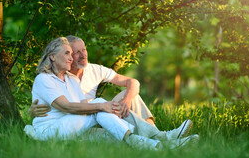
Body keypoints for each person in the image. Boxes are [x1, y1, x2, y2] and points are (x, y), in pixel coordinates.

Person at [24, 37, 199, 149]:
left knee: (113, 137)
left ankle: (162, 145)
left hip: (76, 125)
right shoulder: (44, 78)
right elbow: (67, 106)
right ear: (52, 57)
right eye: (68, 53)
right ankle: (159, 137)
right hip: (52, 129)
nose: (73, 57)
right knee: (99, 104)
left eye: (77, 52)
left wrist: (113, 106)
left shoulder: (71, 79)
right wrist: (103, 105)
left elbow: (83, 104)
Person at [29, 35, 157, 127]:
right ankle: (157, 138)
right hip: (80, 120)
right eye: (76, 52)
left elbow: (133, 82)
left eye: (84, 49)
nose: (83, 55)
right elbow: (56, 104)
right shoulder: (60, 76)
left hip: (100, 113)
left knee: (130, 95)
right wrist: (32, 112)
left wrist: (127, 100)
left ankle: (156, 132)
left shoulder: (95, 69)